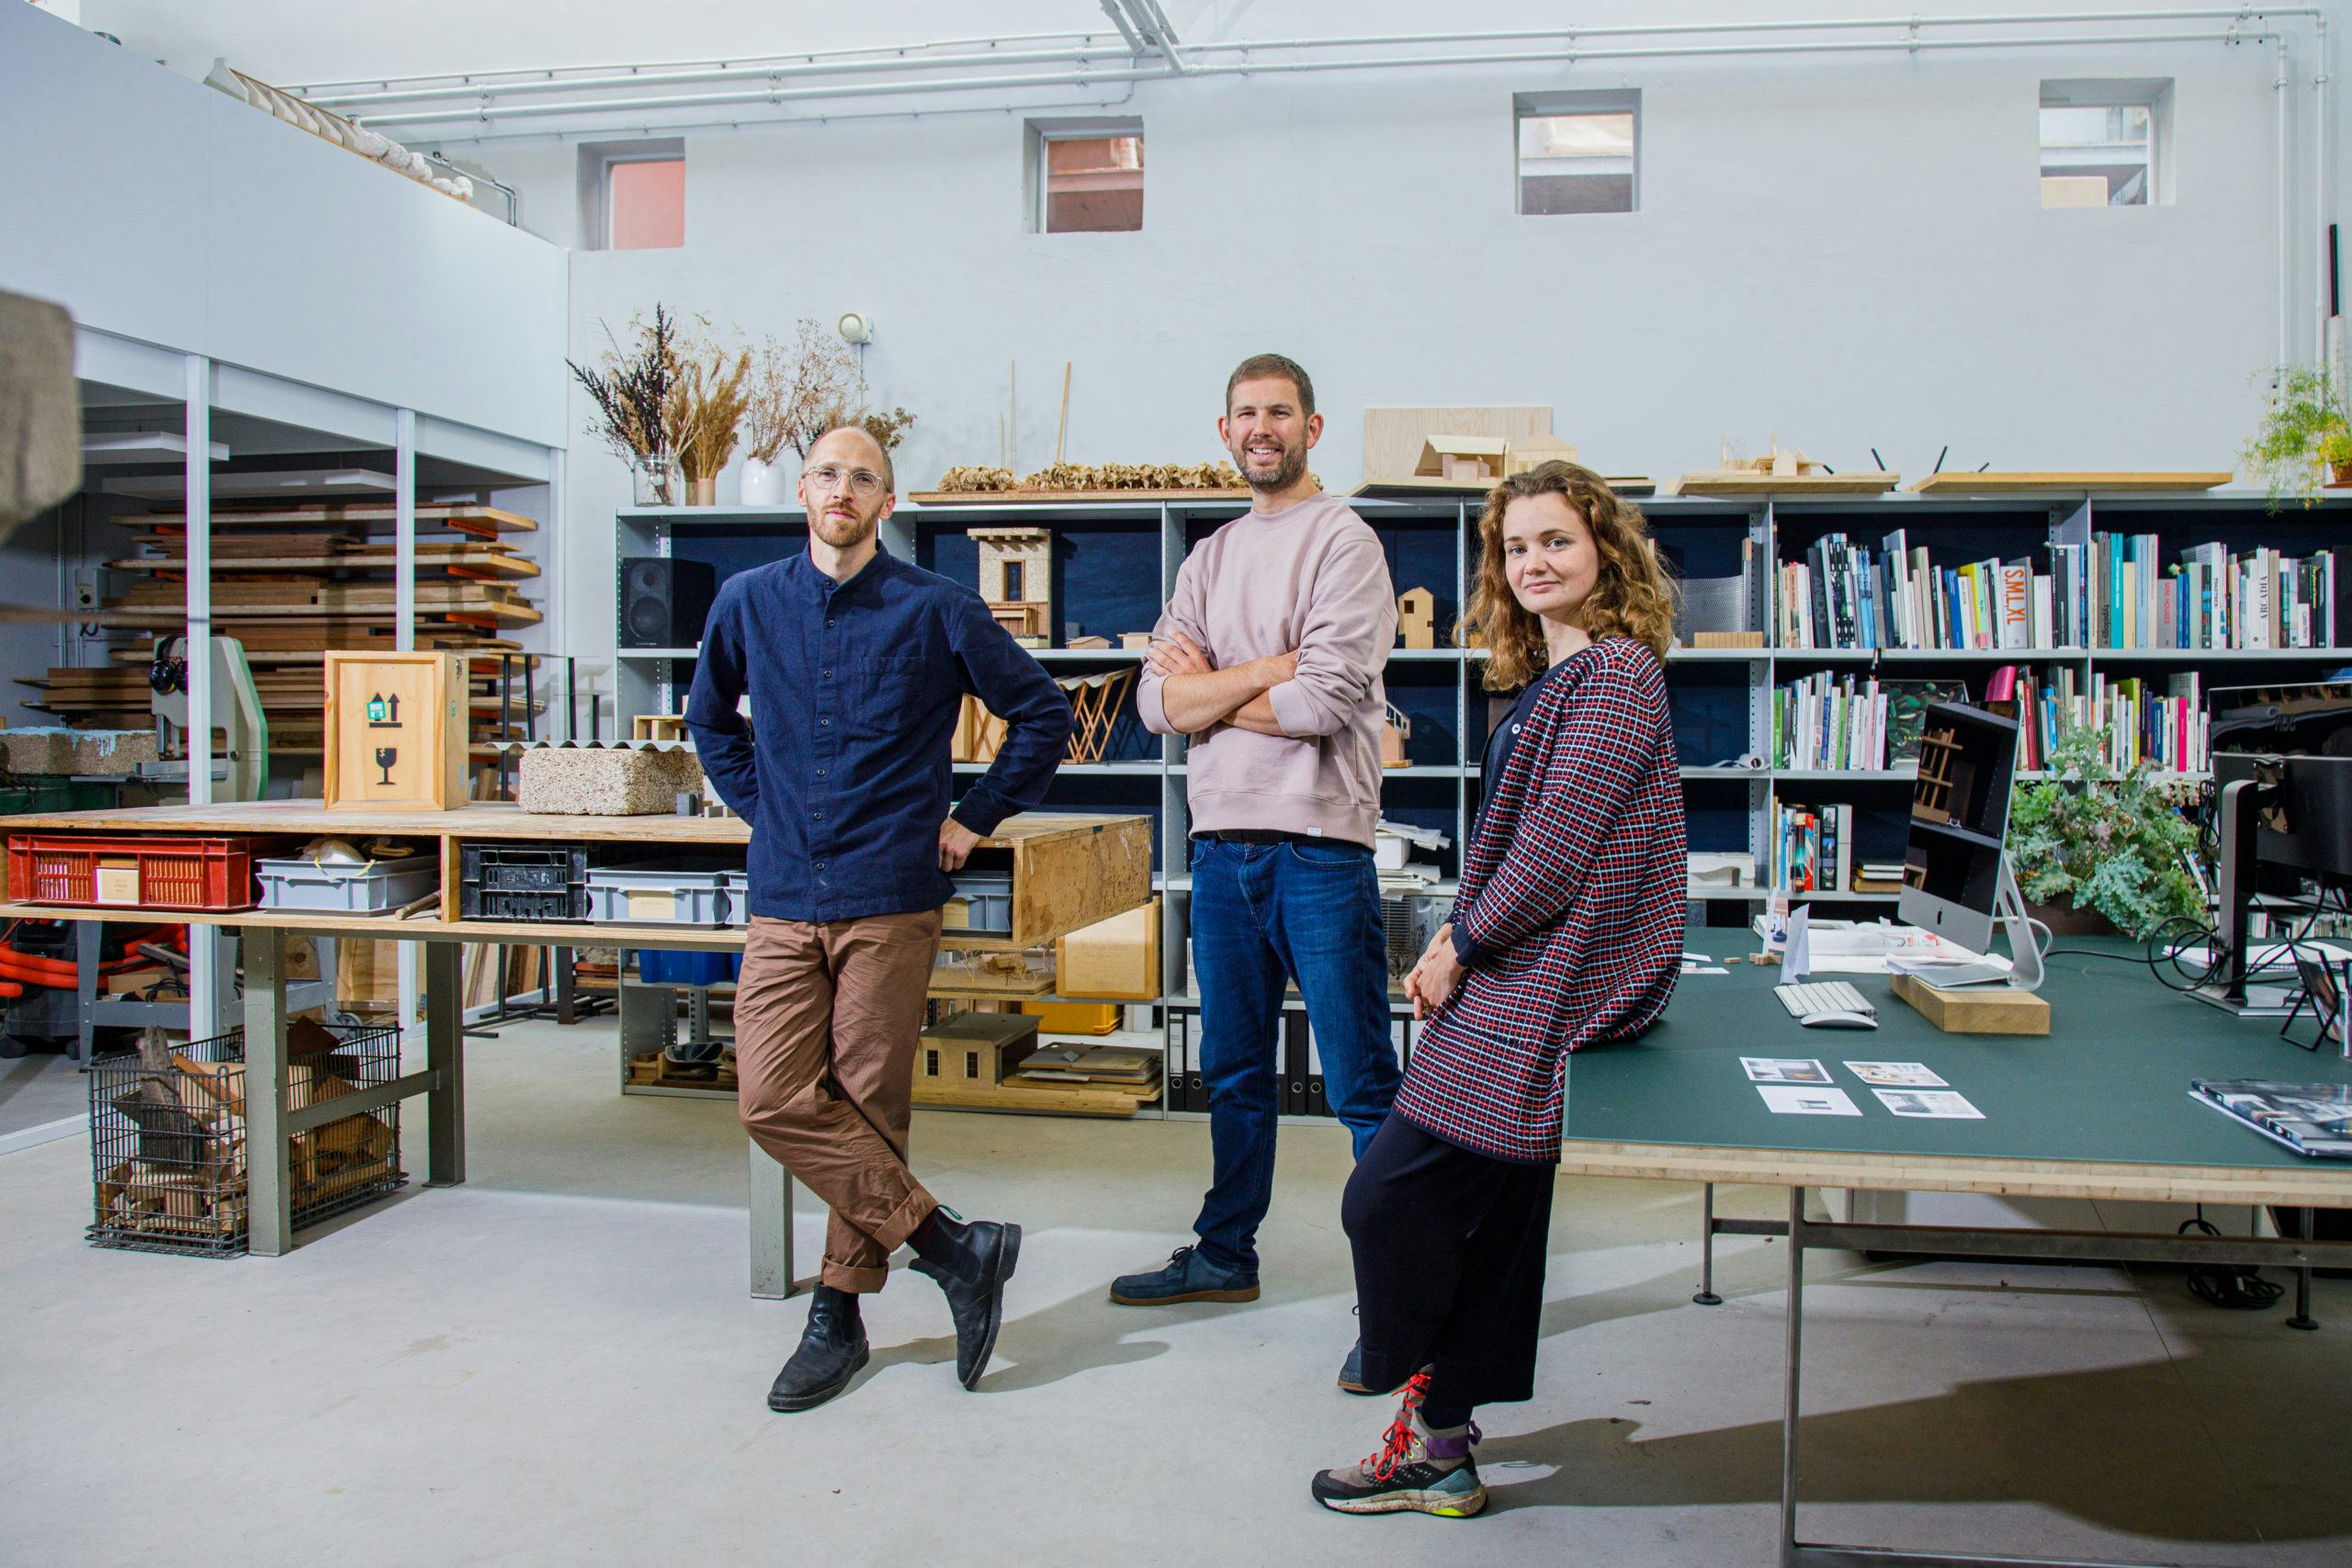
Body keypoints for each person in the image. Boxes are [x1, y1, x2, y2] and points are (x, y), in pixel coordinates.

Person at [1310, 460, 1687, 1517]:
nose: (1533, 563)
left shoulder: (1614, 673)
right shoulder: (1557, 676)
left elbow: (1556, 849)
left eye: (1556, 541)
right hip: (1528, 972)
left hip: (1542, 985)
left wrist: (1454, 945)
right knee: (1497, 1229)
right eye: (1516, 547)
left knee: (1384, 1195)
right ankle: (1440, 1447)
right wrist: (1467, 939)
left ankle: (1405, 1368)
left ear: (1603, 550)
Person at [685, 424, 1073, 1414]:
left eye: (862, 477)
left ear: (886, 503)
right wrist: (762, 806)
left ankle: (837, 1316)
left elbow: (1042, 715)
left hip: (891, 893)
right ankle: (952, 1245)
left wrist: (972, 816)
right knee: (770, 1097)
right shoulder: (747, 602)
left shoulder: (936, 608)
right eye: (826, 473)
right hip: (782, 892)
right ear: (804, 493)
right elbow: (708, 722)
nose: (841, 488)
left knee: (864, 1106)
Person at [1110, 353, 1400, 1390]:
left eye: (1280, 412)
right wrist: (1265, 671)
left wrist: (1212, 692)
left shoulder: (1344, 543)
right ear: (1223, 430)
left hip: (1319, 848)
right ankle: (1227, 1253)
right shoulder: (1209, 557)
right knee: (1231, 1075)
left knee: (1362, 1085)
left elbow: (1322, 702)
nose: (1261, 428)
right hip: (1218, 845)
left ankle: (1400, 1298)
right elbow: (1152, 707)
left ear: (1312, 429)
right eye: (1246, 414)